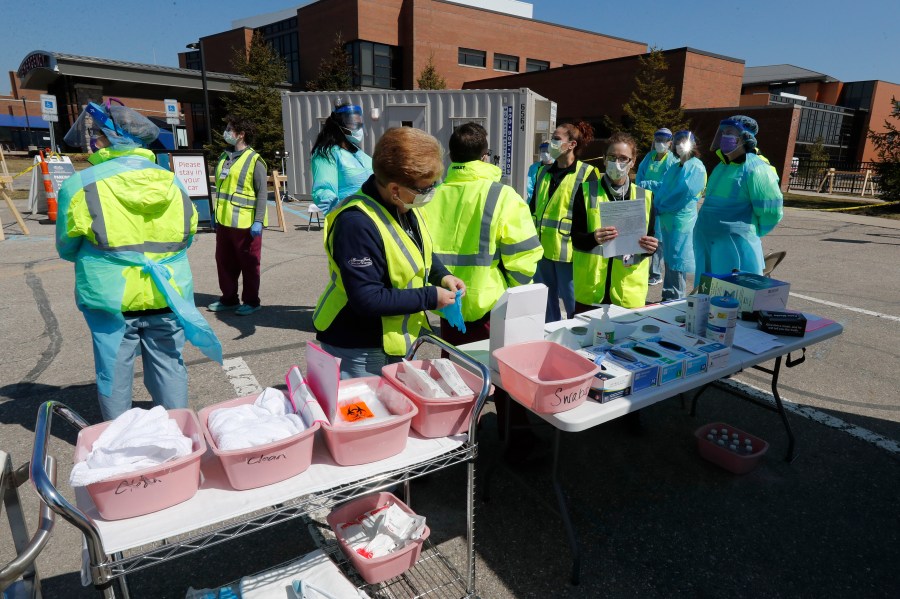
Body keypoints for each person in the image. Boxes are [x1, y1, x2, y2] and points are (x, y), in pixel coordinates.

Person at [57, 100, 222, 421]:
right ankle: (177, 432)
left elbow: (66, 247)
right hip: (168, 292)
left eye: (97, 136)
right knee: (169, 366)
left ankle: (119, 439)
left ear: (108, 139)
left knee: (114, 373)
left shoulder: (79, 185)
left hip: (111, 298)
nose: (93, 141)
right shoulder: (172, 182)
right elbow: (186, 235)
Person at [313, 127, 466, 379]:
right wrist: (430, 296)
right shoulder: (356, 223)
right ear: (395, 189)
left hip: (392, 340)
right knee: (369, 415)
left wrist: (442, 275)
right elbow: (366, 298)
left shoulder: (405, 205)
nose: (430, 192)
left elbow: (418, 250)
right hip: (360, 345)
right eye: (425, 188)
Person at [421, 122, 542, 340]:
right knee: (488, 370)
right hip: (490, 307)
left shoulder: (431, 196)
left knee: (452, 370)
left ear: (451, 157)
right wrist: (512, 296)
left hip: (447, 305)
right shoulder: (504, 196)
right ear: (485, 156)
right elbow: (524, 257)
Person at [572, 131, 659, 311]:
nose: (617, 163)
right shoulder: (586, 191)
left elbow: (648, 242)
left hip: (627, 293)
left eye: (623, 158)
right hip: (591, 291)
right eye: (612, 157)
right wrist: (593, 238)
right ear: (604, 159)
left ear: (633, 162)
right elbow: (576, 239)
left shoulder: (645, 197)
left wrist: (650, 249)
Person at [694, 115, 783, 276]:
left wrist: (747, 231)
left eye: (730, 132)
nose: (724, 136)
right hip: (709, 244)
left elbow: (771, 212)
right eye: (723, 132)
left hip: (737, 249)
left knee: (735, 295)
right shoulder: (722, 166)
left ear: (745, 137)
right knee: (708, 294)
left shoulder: (756, 168)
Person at [530, 122, 599, 322]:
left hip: (569, 252)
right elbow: (533, 208)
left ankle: (576, 340)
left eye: (557, 139)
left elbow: (593, 214)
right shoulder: (543, 172)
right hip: (542, 249)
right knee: (545, 301)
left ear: (571, 145)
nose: (551, 142)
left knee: (573, 302)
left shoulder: (587, 173)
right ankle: (550, 337)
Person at [208, 116, 268, 316]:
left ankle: (251, 301)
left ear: (241, 134)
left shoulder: (254, 160)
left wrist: (258, 220)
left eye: (229, 129)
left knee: (249, 265)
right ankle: (229, 299)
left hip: (246, 224)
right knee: (224, 262)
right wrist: (215, 215)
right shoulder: (224, 157)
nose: (226, 132)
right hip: (224, 222)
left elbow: (262, 193)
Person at [652, 130, 707, 300]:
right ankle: (668, 296)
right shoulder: (676, 166)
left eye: (685, 142)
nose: (680, 145)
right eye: (678, 142)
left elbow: (684, 193)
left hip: (681, 222)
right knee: (669, 259)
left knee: (677, 261)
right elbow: (664, 188)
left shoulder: (696, 166)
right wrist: (658, 204)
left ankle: (675, 298)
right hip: (668, 220)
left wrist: (663, 206)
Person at [311, 102, 374, 214]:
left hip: (373, 216)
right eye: (353, 124)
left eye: (360, 124)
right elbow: (323, 190)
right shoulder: (327, 154)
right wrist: (340, 213)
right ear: (338, 126)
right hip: (351, 218)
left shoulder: (358, 152)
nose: (358, 128)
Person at [636, 128, 678, 287]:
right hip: (646, 200)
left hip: (661, 204)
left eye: (664, 140)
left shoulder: (672, 161)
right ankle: (643, 269)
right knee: (643, 234)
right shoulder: (649, 156)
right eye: (657, 140)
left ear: (670, 143)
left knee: (657, 240)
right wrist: (641, 186)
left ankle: (655, 273)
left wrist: (649, 185)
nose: (660, 143)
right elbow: (640, 174)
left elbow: (668, 184)